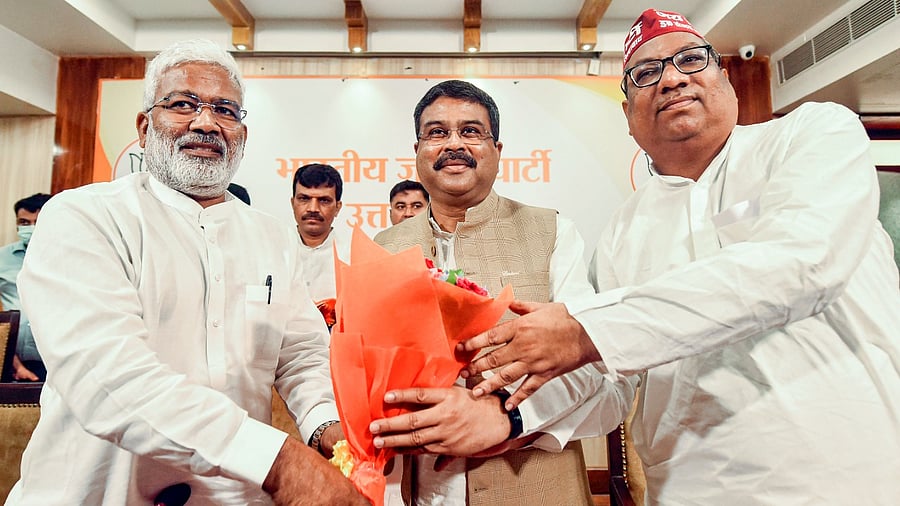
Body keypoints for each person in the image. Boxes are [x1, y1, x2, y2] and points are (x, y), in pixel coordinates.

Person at [460, 9, 900, 505]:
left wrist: (586, 331)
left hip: (846, 483)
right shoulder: (624, 230)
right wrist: (509, 416)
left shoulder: (811, 136)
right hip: (684, 492)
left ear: (725, 79)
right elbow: (611, 384)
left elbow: (802, 262)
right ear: (628, 115)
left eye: (690, 59)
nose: (671, 79)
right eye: (646, 74)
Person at [8, 39, 366, 505]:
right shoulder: (83, 217)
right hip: (98, 493)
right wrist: (279, 463)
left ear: (242, 135)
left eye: (225, 110)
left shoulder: (272, 237)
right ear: (144, 127)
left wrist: (326, 426)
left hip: (235, 497)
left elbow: (300, 354)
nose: (206, 122)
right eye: (182, 104)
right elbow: (107, 376)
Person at [371, 80, 634, 505]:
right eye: (437, 132)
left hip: (535, 482)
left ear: (497, 150)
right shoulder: (384, 248)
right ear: (417, 151)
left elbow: (592, 365)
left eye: (471, 131)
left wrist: (508, 421)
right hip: (418, 488)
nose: (453, 144)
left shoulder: (552, 231)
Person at [0, 192, 52, 381]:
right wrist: (15, 364)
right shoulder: (3, 258)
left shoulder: (72, 257)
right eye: (24, 222)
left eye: (37, 222)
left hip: (57, 359)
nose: (30, 227)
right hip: (11, 359)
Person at [291, 163, 350, 305]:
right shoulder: (274, 252)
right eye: (304, 199)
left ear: (337, 207)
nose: (313, 209)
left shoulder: (352, 257)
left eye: (324, 200)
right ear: (293, 203)